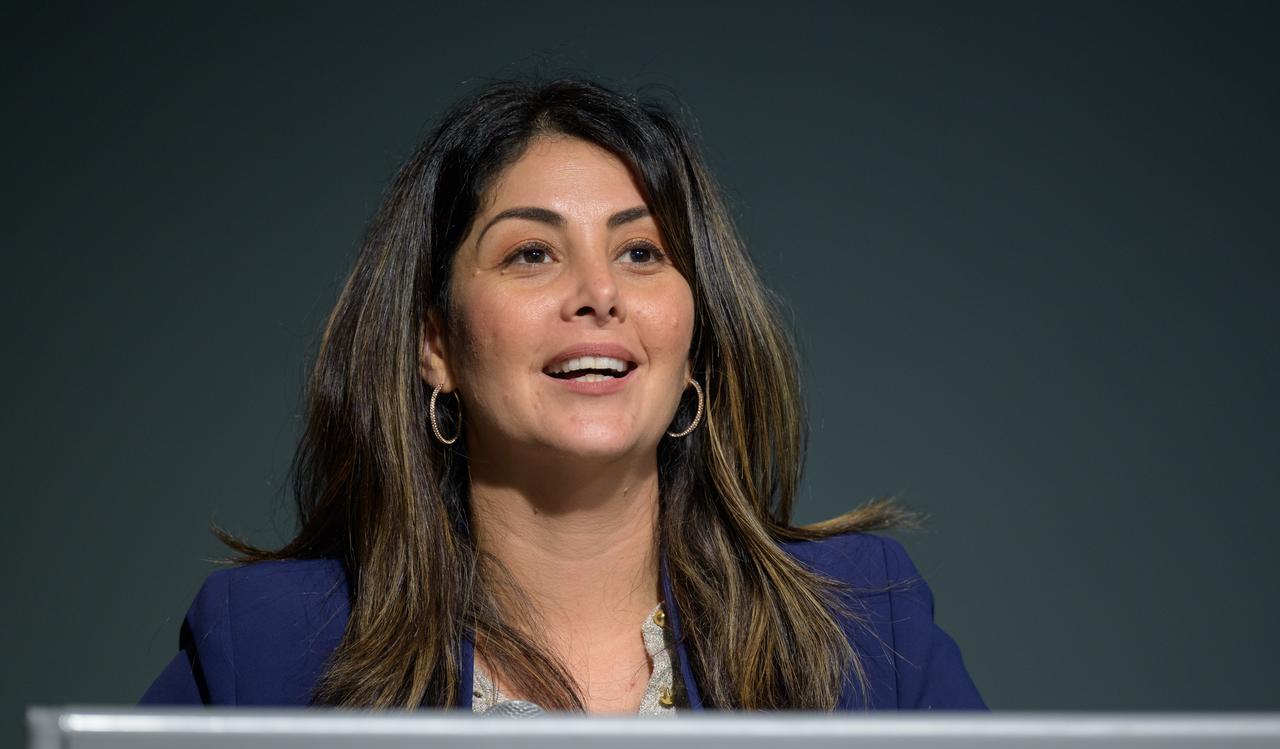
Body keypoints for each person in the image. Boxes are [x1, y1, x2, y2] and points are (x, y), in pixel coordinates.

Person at [139, 78, 986, 713]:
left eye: (643, 253)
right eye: (531, 255)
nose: (598, 294)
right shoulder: (264, 644)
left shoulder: (868, 627)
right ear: (435, 345)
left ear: (693, 339)